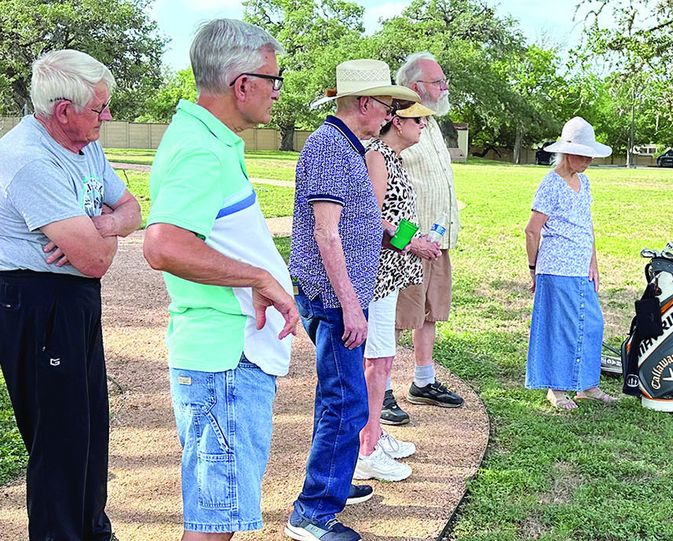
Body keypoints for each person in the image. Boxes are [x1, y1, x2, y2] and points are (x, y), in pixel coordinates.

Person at [142, 19, 302, 539]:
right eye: (273, 80)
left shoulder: (207, 140)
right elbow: (163, 244)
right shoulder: (201, 150)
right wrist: (258, 276)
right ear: (242, 84)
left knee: (219, 516)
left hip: (226, 359)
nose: (278, 92)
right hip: (224, 361)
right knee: (214, 524)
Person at [0, 48, 141, 541]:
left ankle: (92, 530)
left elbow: (131, 207)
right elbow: (97, 261)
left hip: (74, 300)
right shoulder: (28, 159)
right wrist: (101, 238)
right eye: (98, 107)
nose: (106, 116)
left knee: (88, 426)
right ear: (63, 111)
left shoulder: (86, 147)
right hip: (36, 301)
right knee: (57, 440)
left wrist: (100, 224)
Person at [286, 59, 421, 541]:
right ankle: (313, 512)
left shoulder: (348, 147)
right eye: (388, 105)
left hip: (351, 291)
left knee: (341, 396)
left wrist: (406, 237)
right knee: (345, 400)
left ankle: (333, 485)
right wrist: (350, 304)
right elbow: (326, 234)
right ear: (364, 103)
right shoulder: (331, 148)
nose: (391, 114)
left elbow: (365, 221)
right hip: (335, 297)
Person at [355, 100, 441, 482]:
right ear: (397, 121)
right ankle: (366, 449)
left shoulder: (392, 157)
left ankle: (374, 431)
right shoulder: (377, 156)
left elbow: (394, 219)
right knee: (376, 362)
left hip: (389, 275)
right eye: (418, 119)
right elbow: (373, 216)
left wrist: (416, 237)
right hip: (376, 275)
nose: (423, 126)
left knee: (383, 359)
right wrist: (412, 243)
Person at [383, 52, 465, 425]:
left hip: (438, 236)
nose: (444, 87)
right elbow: (384, 200)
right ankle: (381, 390)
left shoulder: (429, 123)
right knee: (399, 316)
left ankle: (423, 381)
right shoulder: (397, 123)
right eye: (437, 82)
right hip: (408, 242)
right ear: (416, 87)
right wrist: (406, 238)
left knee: (430, 312)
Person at [523, 117, 619, 410]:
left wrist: (594, 262)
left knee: (592, 324)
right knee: (562, 328)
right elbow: (531, 229)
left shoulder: (584, 181)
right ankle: (557, 389)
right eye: (582, 154)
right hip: (556, 268)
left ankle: (586, 385)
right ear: (566, 152)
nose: (588, 160)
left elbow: (586, 224)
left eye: (590, 155)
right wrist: (533, 269)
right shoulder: (551, 183)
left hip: (580, 268)